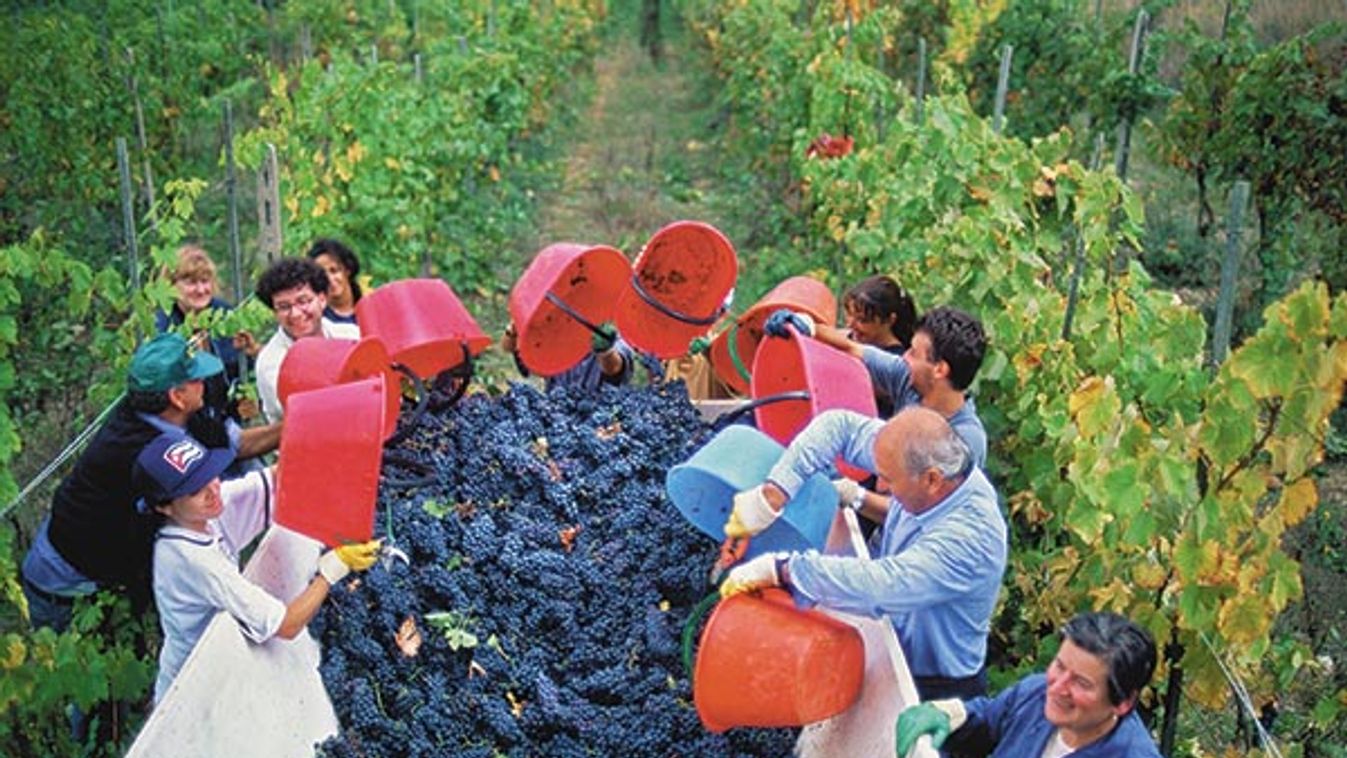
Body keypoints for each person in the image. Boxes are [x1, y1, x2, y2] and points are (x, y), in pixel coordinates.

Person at [720, 406, 1007, 700]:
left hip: (934, 687)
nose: (880, 485)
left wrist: (784, 570)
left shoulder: (971, 538)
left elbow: (884, 587)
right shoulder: (919, 462)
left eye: (887, 479)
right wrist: (773, 495)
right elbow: (839, 426)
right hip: (893, 642)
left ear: (932, 480)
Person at [20, 333, 283, 631]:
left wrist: (299, 424)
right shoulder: (141, 452)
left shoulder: (175, 415)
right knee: (64, 655)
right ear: (177, 396)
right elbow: (195, 506)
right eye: (196, 378)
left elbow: (236, 445)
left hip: (106, 563)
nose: (204, 383)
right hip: (61, 578)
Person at [130, 433, 381, 703]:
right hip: (193, 690)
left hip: (225, 652)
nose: (212, 490)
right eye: (194, 490)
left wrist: (328, 448)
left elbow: (275, 478)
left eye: (211, 475)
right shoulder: (193, 561)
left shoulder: (202, 511)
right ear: (164, 507)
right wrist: (333, 568)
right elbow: (286, 625)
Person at [894, 612, 1161, 758]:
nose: (1057, 687)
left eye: (1081, 683)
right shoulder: (1035, 694)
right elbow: (990, 719)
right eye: (1060, 666)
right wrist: (950, 715)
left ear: (1124, 702)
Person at [765, 305, 988, 466]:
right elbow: (853, 349)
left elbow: (920, 508)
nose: (905, 357)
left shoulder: (964, 439)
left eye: (913, 353)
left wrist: (853, 496)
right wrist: (807, 327)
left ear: (940, 369)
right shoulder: (908, 380)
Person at [254, 257, 361, 422]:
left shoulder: (351, 335)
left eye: (303, 301)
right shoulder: (271, 362)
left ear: (322, 299)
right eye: (284, 307)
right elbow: (308, 414)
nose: (295, 314)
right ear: (274, 312)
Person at [839, 275, 918, 418]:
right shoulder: (853, 338)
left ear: (889, 320)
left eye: (862, 320)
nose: (851, 324)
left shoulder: (895, 362)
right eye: (849, 315)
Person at [501, 321, 637, 392]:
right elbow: (511, 350)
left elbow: (614, 368)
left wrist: (605, 350)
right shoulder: (555, 339)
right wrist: (513, 331)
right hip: (559, 416)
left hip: (600, 421)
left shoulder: (613, 340)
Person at [306, 238, 362, 327]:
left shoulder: (370, 308)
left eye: (334, 270)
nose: (329, 279)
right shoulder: (316, 319)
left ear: (348, 270)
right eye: (322, 274)